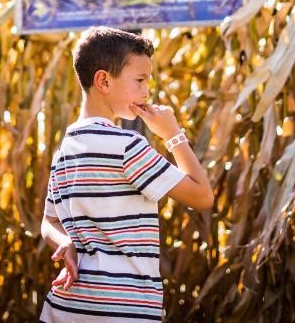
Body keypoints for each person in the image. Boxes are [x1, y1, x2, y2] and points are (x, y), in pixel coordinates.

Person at [40, 26, 215, 322]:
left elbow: (49, 221)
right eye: (140, 80)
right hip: (123, 309)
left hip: (68, 309)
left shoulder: (66, 148)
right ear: (103, 81)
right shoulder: (127, 147)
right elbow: (202, 196)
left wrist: (64, 243)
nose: (147, 91)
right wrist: (173, 135)